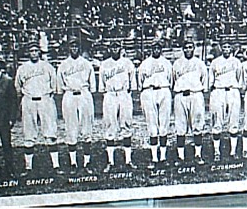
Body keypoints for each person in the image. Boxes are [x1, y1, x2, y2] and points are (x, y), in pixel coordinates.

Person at [15, 41, 62, 176]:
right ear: (28, 53)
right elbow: (18, 87)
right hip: (29, 101)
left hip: (45, 100)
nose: (34, 53)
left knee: (50, 133)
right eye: (31, 51)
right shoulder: (22, 68)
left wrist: (47, 96)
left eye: (36, 51)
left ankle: (56, 166)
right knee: (29, 134)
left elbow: (54, 85)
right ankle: (28, 167)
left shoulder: (47, 67)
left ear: (39, 52)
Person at [57, 39, 96, 174]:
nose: (74, 48)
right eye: (71, 46)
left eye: (76, 46)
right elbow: (59, 86)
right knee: (71, 129)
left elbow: (93, 85)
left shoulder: (86, 64)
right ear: (68, 48)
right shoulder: (63, 65)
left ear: (79, 48)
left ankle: (87, 162)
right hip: (69, 94)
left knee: (87, 129)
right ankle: (73, 162)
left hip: (84, 94)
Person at [98, 41, 138, 172]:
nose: (114, 49)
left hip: (123, 94)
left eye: (116, 47)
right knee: (110, 126)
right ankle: (110, 161)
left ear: (120, 48)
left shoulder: (127, 63)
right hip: (110, 94)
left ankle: (128, 160)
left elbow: (132, 82)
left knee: (126, 125)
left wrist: (127, 93)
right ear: (109, 48)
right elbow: (102, 85)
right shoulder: (104, 64)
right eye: (112, 46)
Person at [137, 39, 173, 168]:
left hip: (163, 90)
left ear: (161, 49)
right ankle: (154, 157)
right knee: (152, 125)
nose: (156, 50)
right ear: (151, 49)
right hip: (149, 92)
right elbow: (140, 81)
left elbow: (170, 79)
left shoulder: (167, 63)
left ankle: (163, 157)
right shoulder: (144, 64)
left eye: (158, 48)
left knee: (163, 124)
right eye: (154, 48)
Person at [172, 39, 207, 165]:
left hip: (196, 94)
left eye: (190, 47)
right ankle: (180, 157)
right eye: (185, 47)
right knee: (180, 126)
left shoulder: (200, 63)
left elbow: (204, 79)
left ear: (194, 48)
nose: (188, 49)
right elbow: (174, 79)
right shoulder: (177, 64)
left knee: (197, 125)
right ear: (182, 49)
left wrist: (196, 90)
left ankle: (198, 155)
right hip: (181, 95)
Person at [208, 38, 243, 161]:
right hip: (219, 91)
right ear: (221, 48)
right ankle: (217, 151)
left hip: (232, 91)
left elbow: (239, 78)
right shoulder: (215, 62)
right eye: (224, 47)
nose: (226, 49)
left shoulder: (237, 62)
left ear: (231, 48)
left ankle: (233, 151)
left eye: (228, 47)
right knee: (217, 122)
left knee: (234, 121)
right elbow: (210, 81)